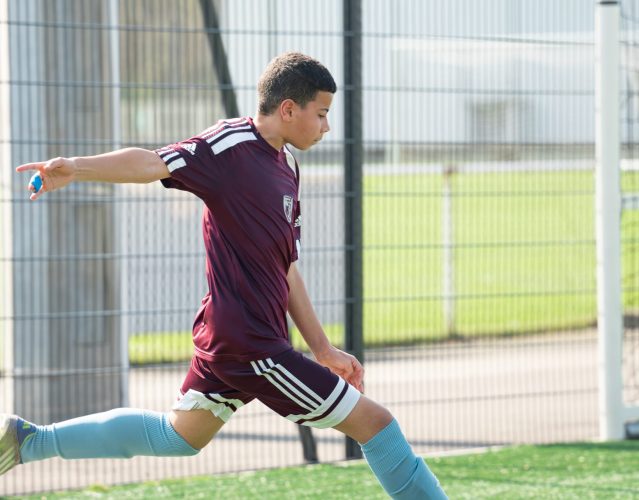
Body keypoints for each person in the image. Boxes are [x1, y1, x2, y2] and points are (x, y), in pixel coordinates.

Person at [0, 52, 447, 499]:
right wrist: (77, 168)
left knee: (177, 436)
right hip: (250, 343)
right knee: (378, 425)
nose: (327, 126)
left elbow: (286, 266)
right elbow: (153, 163)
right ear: (289, 109)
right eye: (323, 113)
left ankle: (28, 440)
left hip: (237, 340)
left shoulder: (288, 166)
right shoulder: (228, 145)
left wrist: (323, 348)